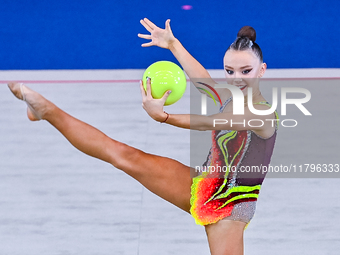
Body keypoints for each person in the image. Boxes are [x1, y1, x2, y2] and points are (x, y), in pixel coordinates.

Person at [8, 18, 277, 255]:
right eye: (229, 71)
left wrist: (165, 118)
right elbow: (204, 81)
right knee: (122, 155)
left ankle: (44, 112)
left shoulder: (263, 114)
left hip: (228, 210)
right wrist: (173, 45)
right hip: (201, 185)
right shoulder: (232, 97)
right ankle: (46, 110)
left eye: (246, 71)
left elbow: (213, 122)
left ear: (262, 70)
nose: (236, 79)